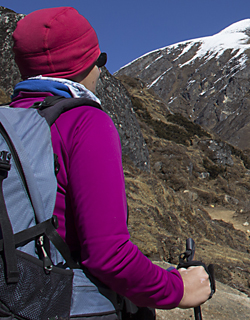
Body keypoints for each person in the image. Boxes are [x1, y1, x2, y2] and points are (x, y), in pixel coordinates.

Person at [9, 7, 211, 319]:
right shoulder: (84, 121)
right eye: (99, 60)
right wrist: (179, 288)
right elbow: (108, 256)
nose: (101, 71)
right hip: (61, 303)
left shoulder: (8, 126)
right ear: (82, 65)